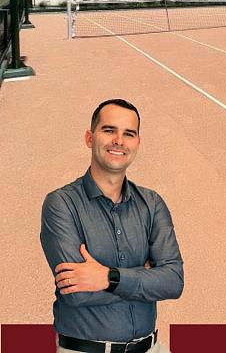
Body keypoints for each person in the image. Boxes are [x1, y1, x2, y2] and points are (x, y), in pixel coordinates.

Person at [40, 99, 183, 353]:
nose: (119, 140)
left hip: (150, 347)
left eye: (129, 134)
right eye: (109, 130)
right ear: (89, 138)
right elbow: (76, 293)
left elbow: (172, 281)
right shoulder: (61, 204)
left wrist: (107, 277)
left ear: (137, 143)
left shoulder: (152, 203)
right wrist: (145, 276)